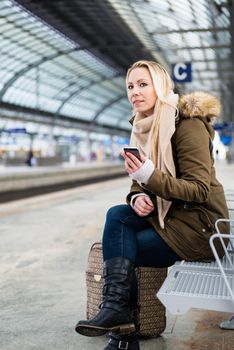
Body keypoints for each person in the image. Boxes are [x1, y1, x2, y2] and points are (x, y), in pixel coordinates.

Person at [75, 60, 229, 350]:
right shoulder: (143, 127)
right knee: (118, 214)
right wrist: (138, 195)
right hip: (170, 218)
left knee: (124, 249)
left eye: (143, 84)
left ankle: (122, 333)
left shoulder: (187, 124)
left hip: (201, 227)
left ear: (161, 86)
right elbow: (140, 182)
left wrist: (149, 176)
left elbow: (198, 190)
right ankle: (118, 313)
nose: (135, 91)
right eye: (130, 86)